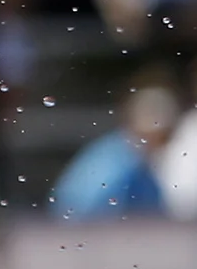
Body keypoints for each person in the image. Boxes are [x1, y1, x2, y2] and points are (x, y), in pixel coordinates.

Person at [50, 83, 176, 218]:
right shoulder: (122, 163)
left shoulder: (128, 154)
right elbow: (87, 212)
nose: (164, 141)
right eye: (162, 134)